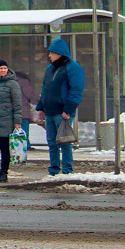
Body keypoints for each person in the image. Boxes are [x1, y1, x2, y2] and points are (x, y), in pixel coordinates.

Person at [35, 38, 85, 176]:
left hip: (62, 112)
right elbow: (45, 88)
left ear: (59, 53)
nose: (49, 55)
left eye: (51, 53)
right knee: (52, 142)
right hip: (50, 111)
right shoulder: (50, 69)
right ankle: (54, 169)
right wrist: (40, 106)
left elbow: (76, 90)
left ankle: (67, 169)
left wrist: (68, 109)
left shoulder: (73, 68)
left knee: (64, 141)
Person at [0, 60, 20, 181]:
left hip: (7, 121)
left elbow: (17, 103)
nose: (3, 70)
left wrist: (17, 121)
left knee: (4, 148)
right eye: (1, 68)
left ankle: (4, 172)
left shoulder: (12, 84)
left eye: (5, 68)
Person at [14, 68, 35, 148]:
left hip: (14, 109)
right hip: (23, 109)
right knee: (24, 127)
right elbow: (29, 94)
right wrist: (41, 98)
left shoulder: (11, 82)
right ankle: (26, 145)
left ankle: (19, 145)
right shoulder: (24, 82)